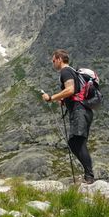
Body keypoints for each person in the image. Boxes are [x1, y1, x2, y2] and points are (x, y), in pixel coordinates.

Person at [42, 49, 95, 184]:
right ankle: (88, 175)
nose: (53, 63)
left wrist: (51, 98)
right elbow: (73, 92)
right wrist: (64, 99)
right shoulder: (73, 71)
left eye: (53, 60)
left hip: (79, 111)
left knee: (76, 142)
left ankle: (89, 176)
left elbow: (70, 89)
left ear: (59, 59)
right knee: (76, 142)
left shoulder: (65, 71)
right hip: (84, 110)